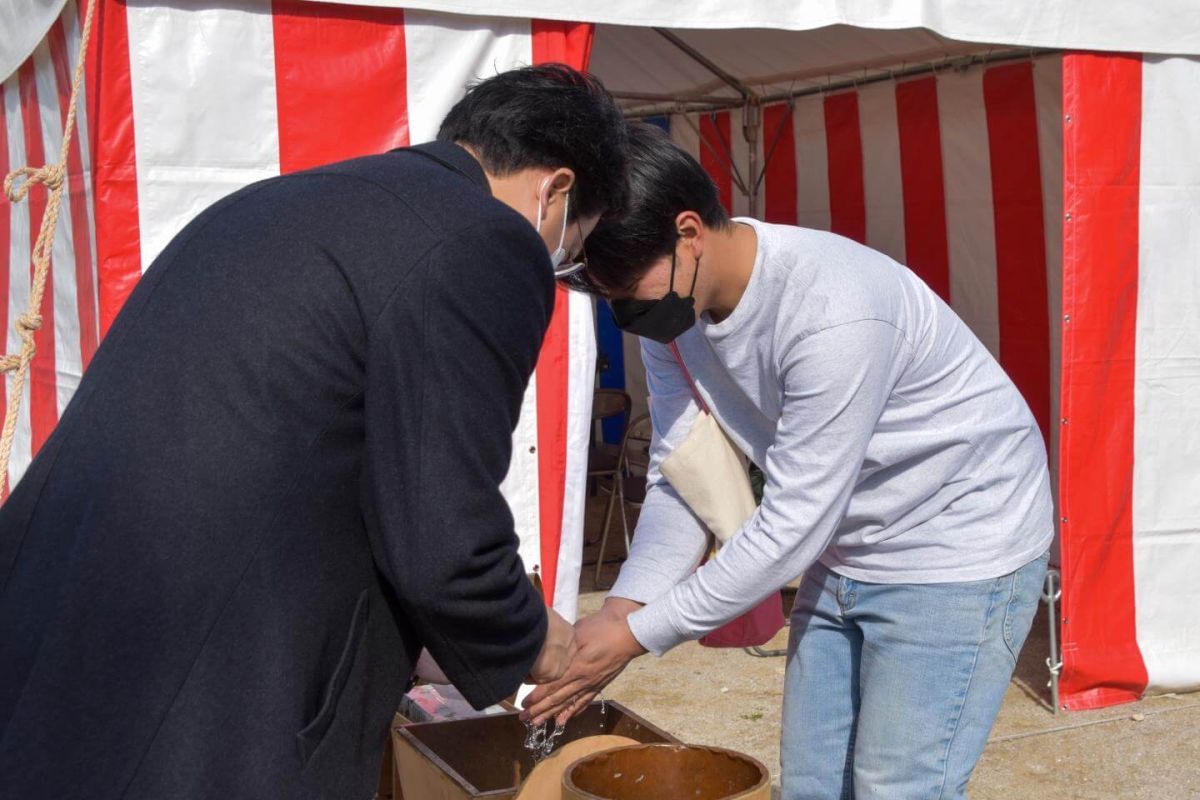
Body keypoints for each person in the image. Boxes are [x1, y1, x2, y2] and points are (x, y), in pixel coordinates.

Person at [0, 65, 628, 800]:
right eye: (571, 245)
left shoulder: (285, 200)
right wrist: (529, 638)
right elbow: (442, 533)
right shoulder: (484, 237)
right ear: (554, 190)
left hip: (63, 620)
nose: (554, 259)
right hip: (212, 685)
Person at [524, 123, 1052, 800]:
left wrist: (639, 635)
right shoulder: (670, 314)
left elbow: (794, 523)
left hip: (958, 549)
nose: (624, 311)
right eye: (604, 293)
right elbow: (682, 471)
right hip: (847, 547)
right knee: (811, 783)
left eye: (626, 287)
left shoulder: (833, 309)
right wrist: (622, 608)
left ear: (689, 233)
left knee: (897, 787)